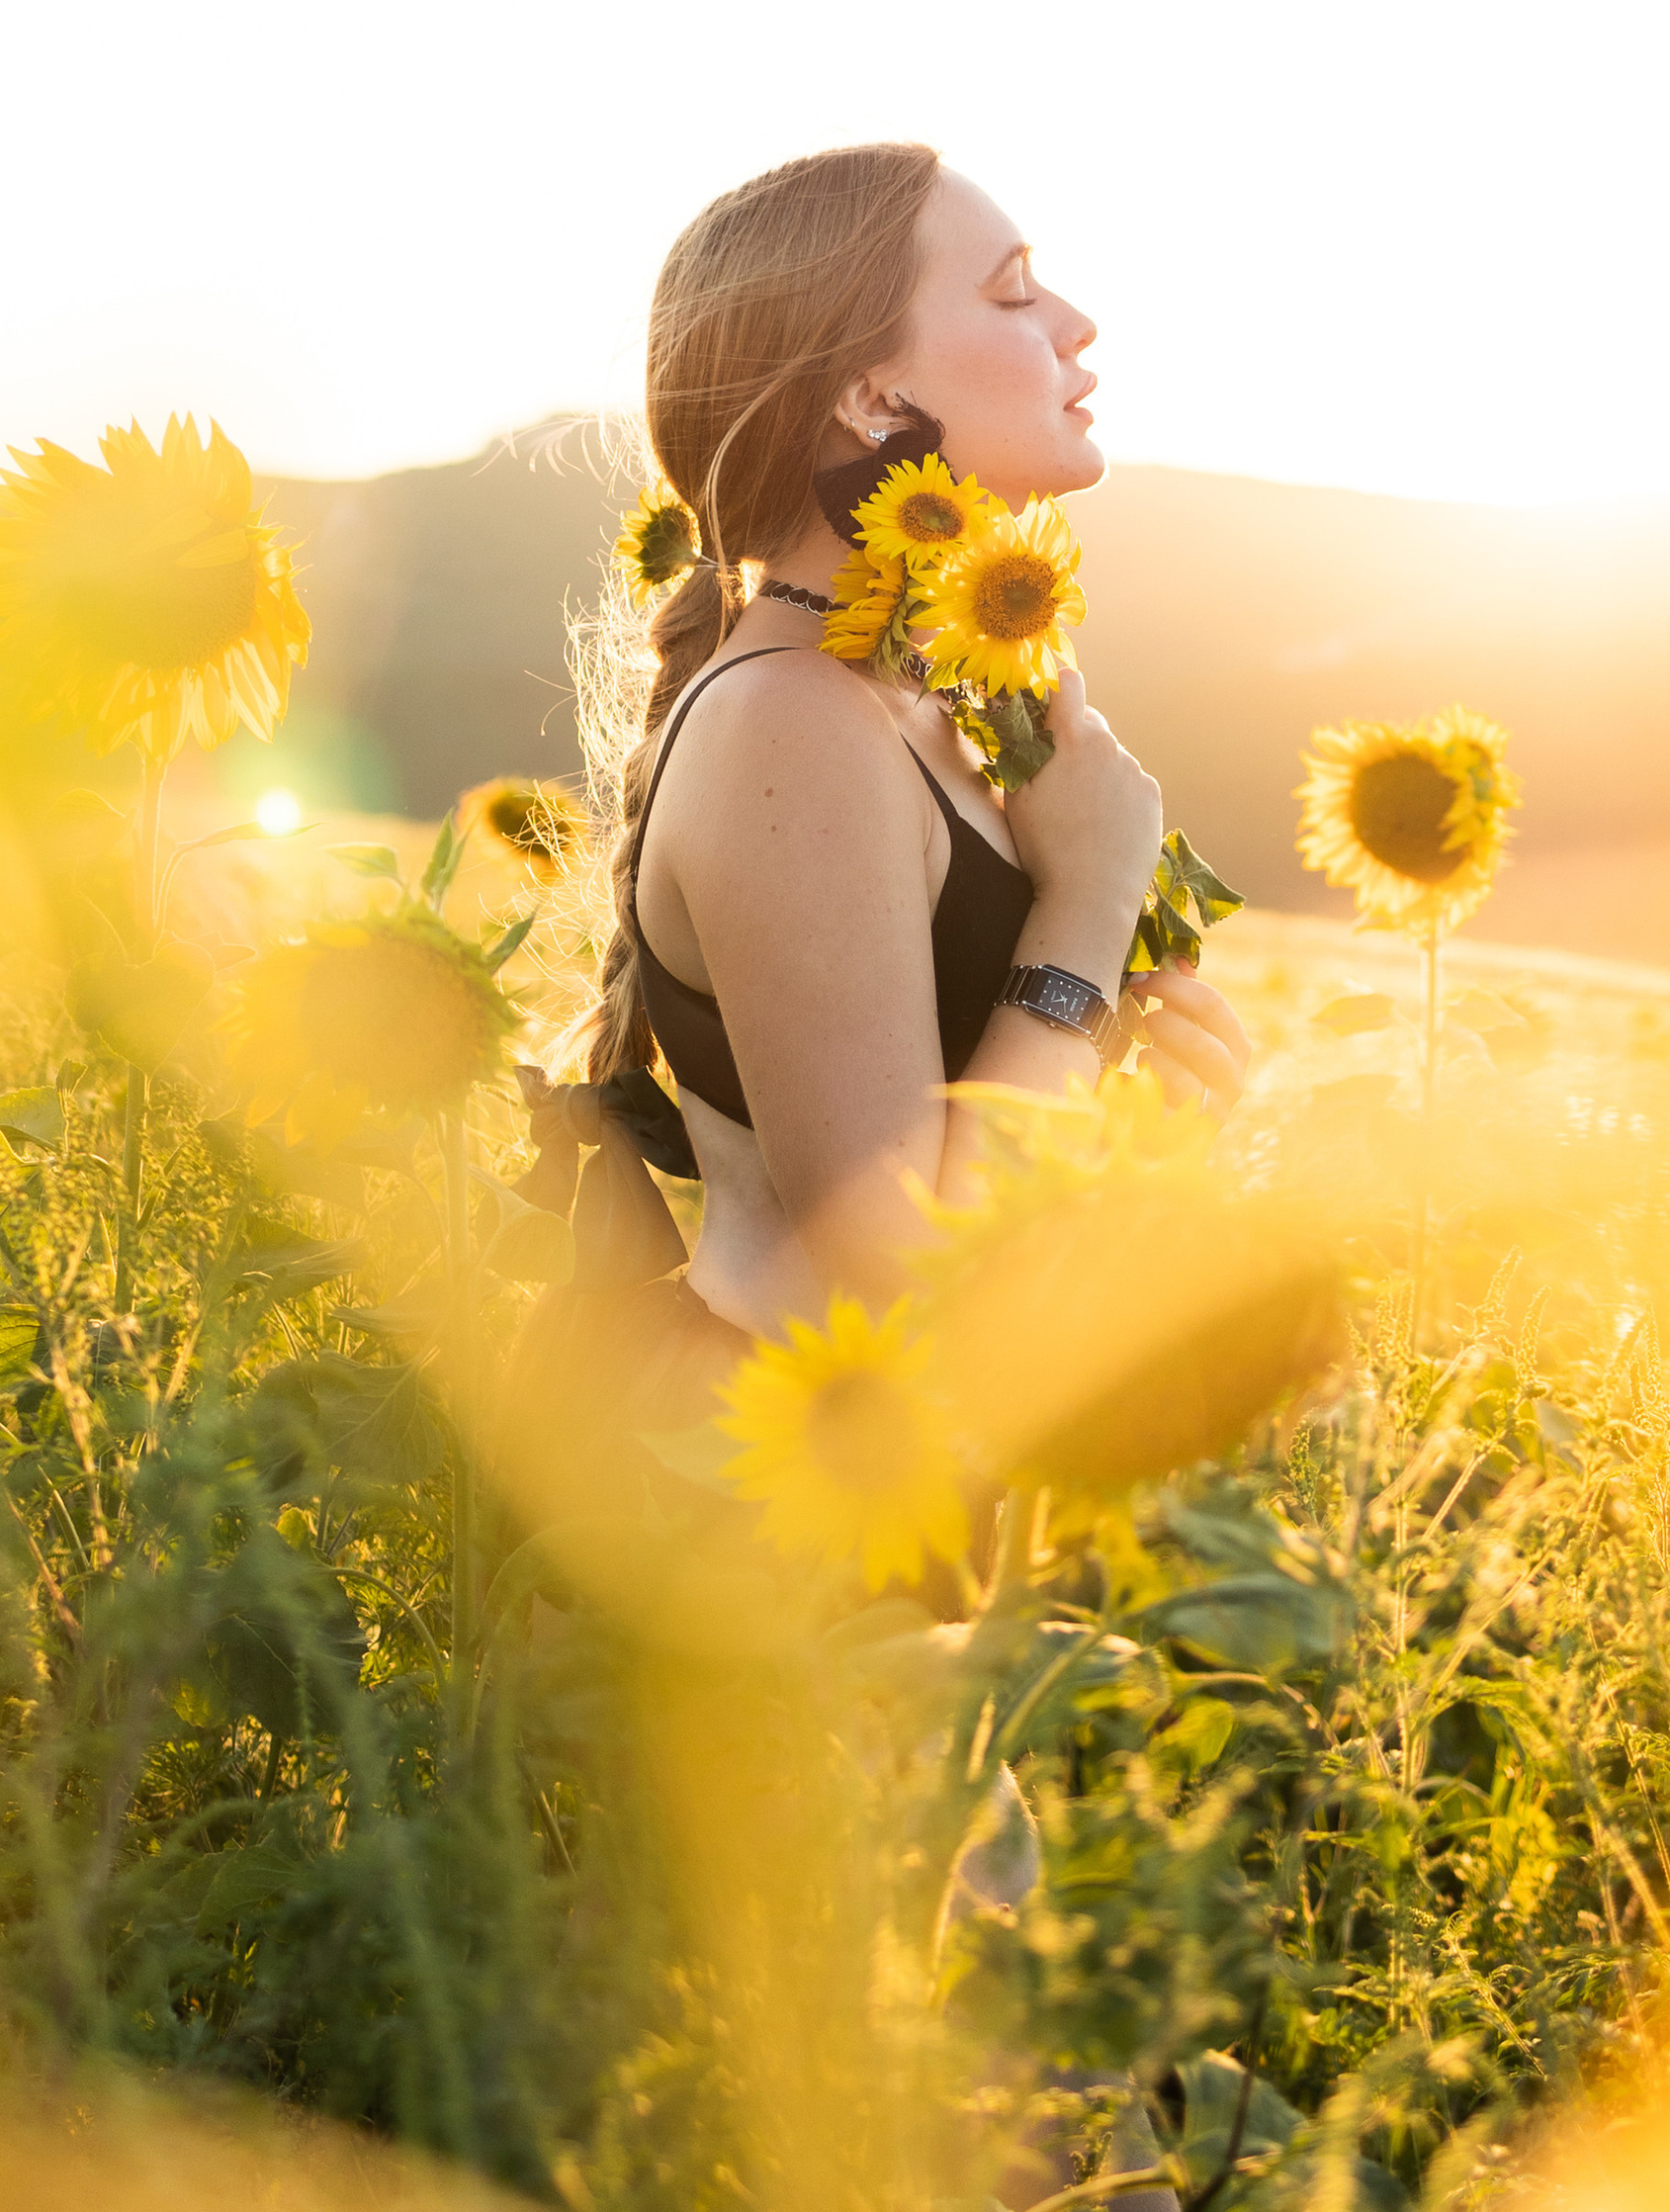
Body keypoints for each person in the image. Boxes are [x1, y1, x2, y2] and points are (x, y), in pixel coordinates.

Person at [518, 140, 1249, 1460]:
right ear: (872, 393)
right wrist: (1082, 920)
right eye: (1016, 290)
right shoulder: (792, 725)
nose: (1078, 326)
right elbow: (895, 1280)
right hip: (769, 1512)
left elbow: (984, 1160)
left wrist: (1134, 1095)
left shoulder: (918, 699)